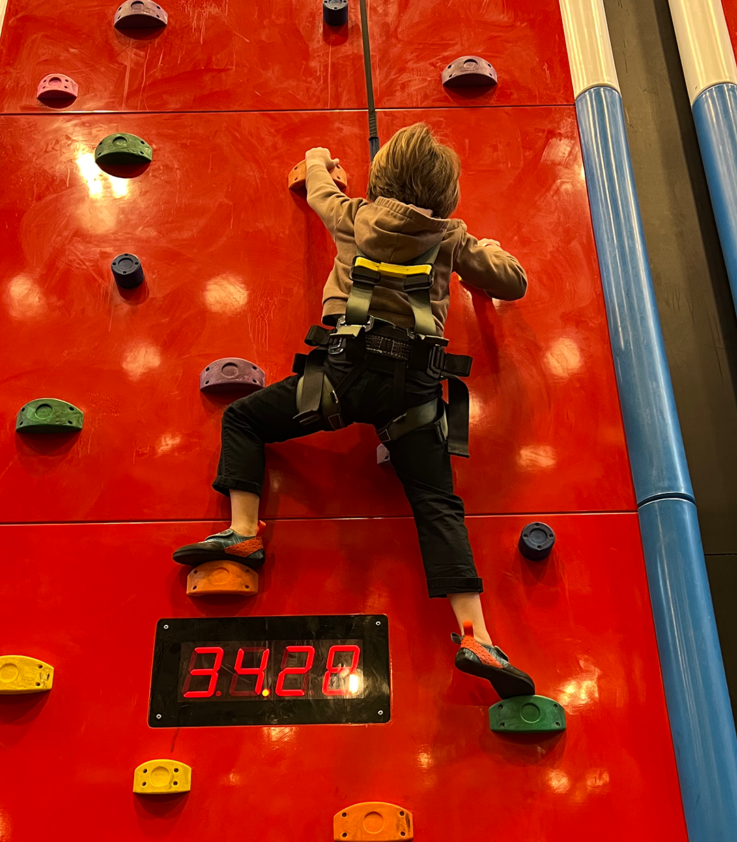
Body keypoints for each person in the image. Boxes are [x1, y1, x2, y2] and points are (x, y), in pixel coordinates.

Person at [174, 123, 535, 699]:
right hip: (416, 393)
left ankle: (244, 532)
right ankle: (476, 634)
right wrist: (486, 252)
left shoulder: (352, 215)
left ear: (381, 180)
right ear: (447, 196)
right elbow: (512, 283)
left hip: (340, 378)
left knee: (243, 419)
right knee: (437, 504)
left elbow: (318, 187)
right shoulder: (450, 239)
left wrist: (321, 158)